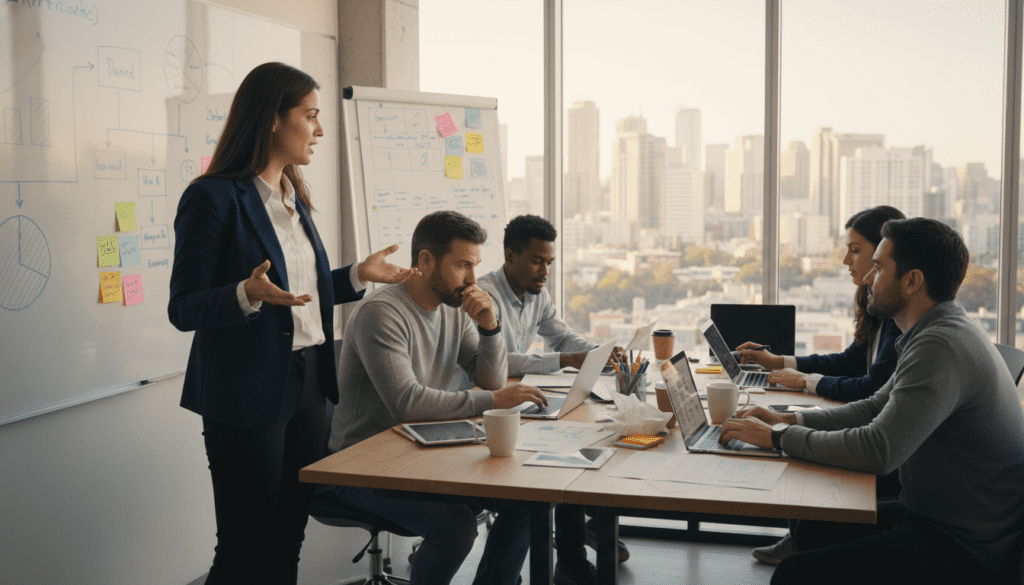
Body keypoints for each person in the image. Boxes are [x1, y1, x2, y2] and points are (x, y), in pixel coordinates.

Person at [168, 62, 415, 585]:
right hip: (247, 391)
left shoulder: (292, 196)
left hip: (308, 389)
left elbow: (296, 287)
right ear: (273, 120)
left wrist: (353, 275)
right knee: (243, 548)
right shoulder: (213, 197)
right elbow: (184, 306)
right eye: (311, 116)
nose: (320, 130)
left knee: (287, 541)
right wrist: (243, 294)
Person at [721, 218, 1024, 584]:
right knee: (810, 529)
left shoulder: (939, 346)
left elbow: (878, 450)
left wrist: (777, 438)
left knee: (793, 575)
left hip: (963, 545)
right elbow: (873, 407)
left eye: (878, 268)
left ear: (912, 281)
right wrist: (789, 421)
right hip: (934, 516)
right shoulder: (935, 331)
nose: (867, 278)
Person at [328, 210, 549, 585]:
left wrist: (490, 327)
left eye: (476, 266)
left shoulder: (454, 310)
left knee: (530, 501)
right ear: (426, 261)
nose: (473, 280)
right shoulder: (380, 314)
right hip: (363, 467)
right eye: (463, 265)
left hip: (422, 453)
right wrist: (493, 401)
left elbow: (489, 378)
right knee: (457, 527)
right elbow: (409, 404)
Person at [735, 205, 905, 564]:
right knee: (803, 435)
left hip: (906, 479)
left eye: (857, 251)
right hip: (894, 456)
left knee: (808, 460)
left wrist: (795, 404)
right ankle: (800, 538)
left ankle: (803, 540)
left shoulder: (904, 323)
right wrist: (781, 363)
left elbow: (870, 387)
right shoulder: (879, 307)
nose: (846, 260)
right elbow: (851, 364)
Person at [475, 214, 629, 584]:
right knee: (557, 463)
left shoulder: (536, 294)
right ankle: (571, 556)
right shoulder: (484, 297)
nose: (545, 271)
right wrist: (565, 360)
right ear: (510, 256)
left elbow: (562, 336)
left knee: (573, 446)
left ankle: (571, 559)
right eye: (536, 261)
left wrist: (598, 352)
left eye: (550, 262)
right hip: (488, 403)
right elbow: (493, 361)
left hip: (520, 400)